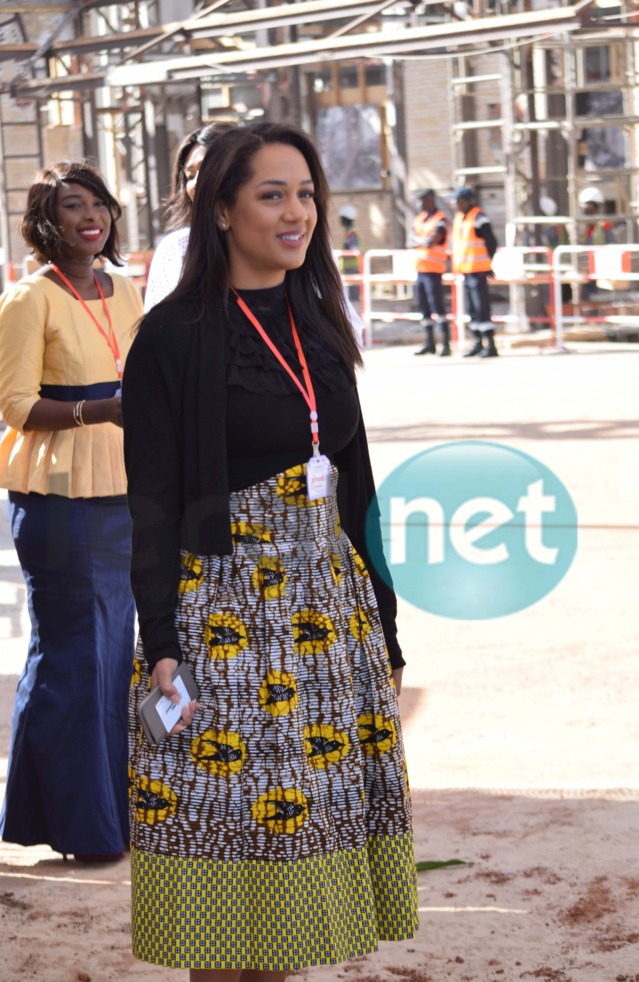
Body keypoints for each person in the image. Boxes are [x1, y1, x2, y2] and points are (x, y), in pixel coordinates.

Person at [122, 122, 418, 978]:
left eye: (306, 193)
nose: (299, 213)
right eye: (272, 194)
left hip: (329, 617)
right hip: (225, 618)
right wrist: (163, 643)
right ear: (221, 209)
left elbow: (359, 488)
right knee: (229, 857)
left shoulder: (321, 321)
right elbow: (152, 505)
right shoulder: (172, 338)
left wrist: (387, 629)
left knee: (293, 881)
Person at [0, 160, 144, 861]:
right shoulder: (28, 299)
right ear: (46, 224)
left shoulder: (126, 287)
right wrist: (99, 408)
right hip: (58, 499)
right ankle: (74, 825)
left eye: (98, 204)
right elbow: (16, 406)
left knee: (113, 657)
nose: (91, 216)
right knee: (74, 658)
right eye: (72, 206)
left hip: (125, 491)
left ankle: (103, 816)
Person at [144, 122, 235, 311]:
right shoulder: (175, 249)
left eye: (208, 167)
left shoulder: (273, 240)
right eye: (190, 176)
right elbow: (154, 328)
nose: (196, 183)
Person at [451, 186, 499, 358]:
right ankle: (478, 343)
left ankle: (491, 346)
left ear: (464, 201)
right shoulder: (459, 218)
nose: (453, 205)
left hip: (478, 271)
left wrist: (488, 264)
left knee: (482, 308)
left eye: (455, 201)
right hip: (465, 271)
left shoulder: (479, 217)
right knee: (472, 310)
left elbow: (491, 242)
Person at [412, 188, 450, 356]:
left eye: (422, 200)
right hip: (420, 270)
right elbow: (410, 240)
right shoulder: (419, 219)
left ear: (431, 199)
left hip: (434, 271)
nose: (419, 204)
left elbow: (434, 239)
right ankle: (429, 343)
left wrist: (419, 241)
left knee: (438, 308)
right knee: (424, 308)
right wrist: (421, 241)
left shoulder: (440, 219)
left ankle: (445, 344)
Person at [338, 203, 361, 303]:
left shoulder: (352, 233)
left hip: (353, 267)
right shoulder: (349, 232)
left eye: (342, 218)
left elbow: (354, 250)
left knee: (353, 296)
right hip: (349, 267)